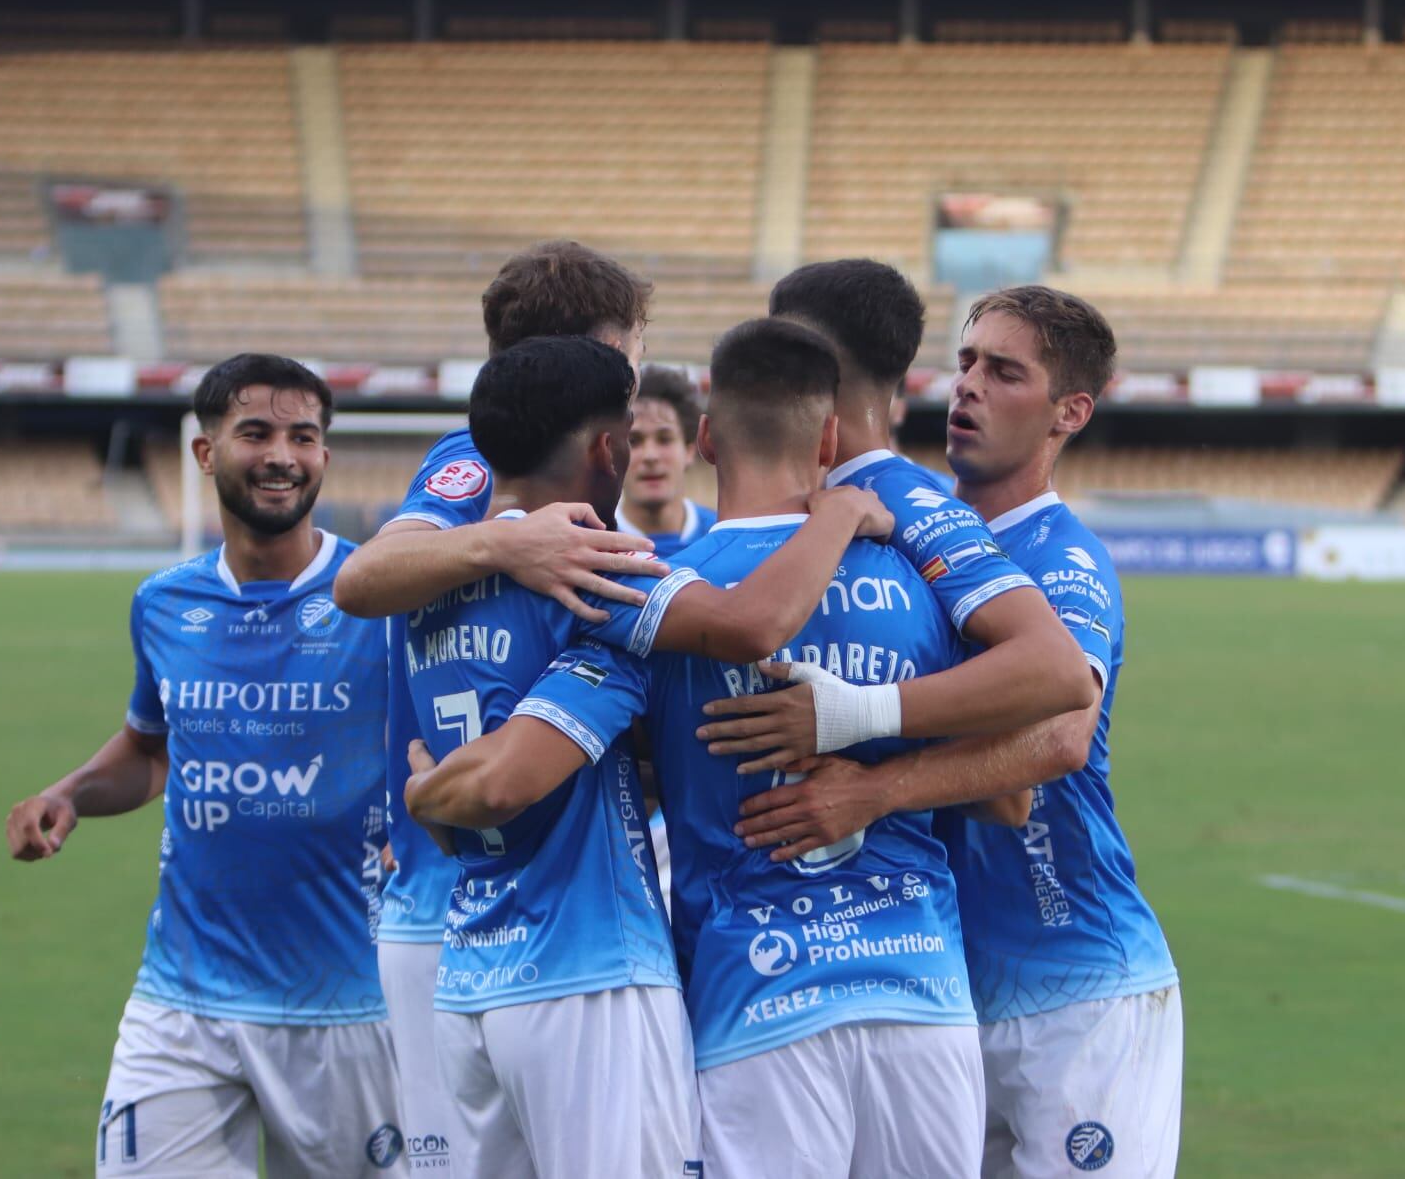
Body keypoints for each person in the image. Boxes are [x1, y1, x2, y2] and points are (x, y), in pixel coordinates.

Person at [414, 318, 1018, 1179]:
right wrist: (883, 776)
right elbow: (1010, 794)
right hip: (922, 991)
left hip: (754, 999)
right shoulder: (920, 585)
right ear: (830, 438)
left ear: (702, 439)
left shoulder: (661, 592)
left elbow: (577, 762)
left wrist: (429, 794)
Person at [737, 288, 1182, 1179]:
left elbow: (1057, 740)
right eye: (967, 361)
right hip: (946, 981)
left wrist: (872, 778)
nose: (968, 387)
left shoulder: (1062, 559)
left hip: (1077, 982)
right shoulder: (913, 533)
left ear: (1070, 413)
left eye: (1004, 372)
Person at [4, 354, 402, 1178]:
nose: (282, 455)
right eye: (254, 432)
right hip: (182, 997)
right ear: (205, 452)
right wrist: (70, 792)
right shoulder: (163, 602)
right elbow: (150, 750)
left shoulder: (379, 599)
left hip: (347, 1001)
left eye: (304, 435)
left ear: (326, 454)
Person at [331, 239, 658, 1163]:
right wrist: (502, 544)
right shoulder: (474, 466)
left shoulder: (571, 488)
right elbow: (361, 578)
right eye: (631, 346)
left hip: (504, 898)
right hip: (472, 901)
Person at [693, 258, 1097, 773]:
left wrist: (857, 721)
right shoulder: (820, 494)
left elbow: (1058, 672)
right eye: (965, 363)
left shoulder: (908, 505)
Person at [332, 240, 663, 625]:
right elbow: (358, 581)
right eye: (640, 350)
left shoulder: (586, 460)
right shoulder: (480, 453)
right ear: (613, 351)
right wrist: (508, 540)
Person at [616, 365, 718, 560]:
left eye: (665, 439)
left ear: (689, 450)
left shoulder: (721, 535)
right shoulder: (590, 544)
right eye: (634, 441)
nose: (651, 456)